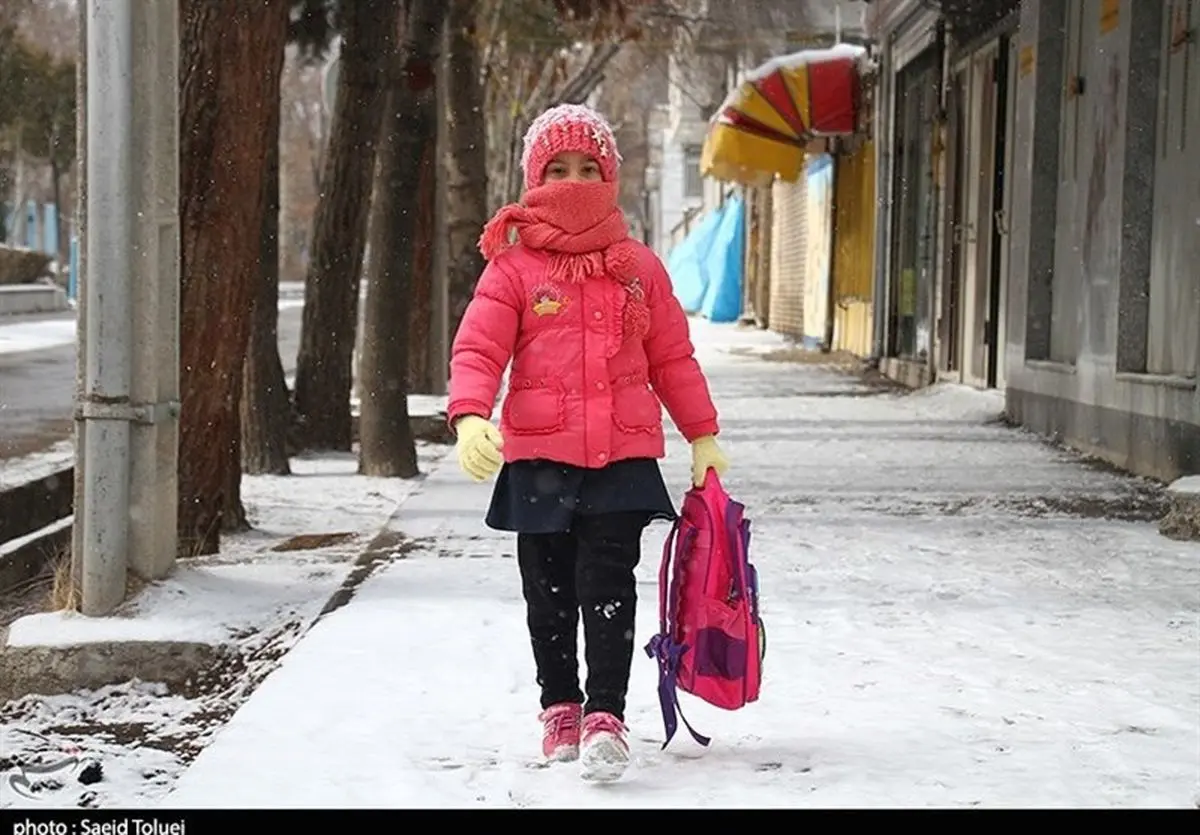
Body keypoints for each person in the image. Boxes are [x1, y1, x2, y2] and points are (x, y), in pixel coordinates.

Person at [446, 103, 729, 782]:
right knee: (547, 593)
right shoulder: (512, 268)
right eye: (557, 169)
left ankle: (606, 713)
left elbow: (672, 358)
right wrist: (470, 414)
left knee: (607, 585)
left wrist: (703, 433)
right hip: (539, 459)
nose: (573, 181)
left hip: (620, 461)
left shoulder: (637, 268)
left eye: (588, 168)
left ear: (610, 177)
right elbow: (479, 347)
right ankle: (560, 707)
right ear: (533, 177)